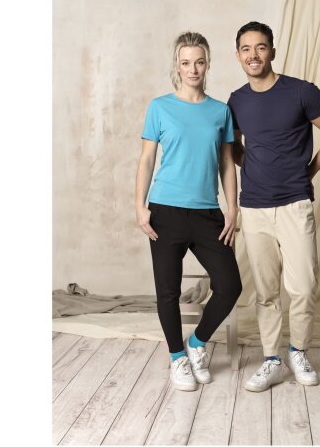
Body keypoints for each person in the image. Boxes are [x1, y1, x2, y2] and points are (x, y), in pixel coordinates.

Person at [227, 22, 320, 392]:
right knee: (265, 292)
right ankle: (271, 360)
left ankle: (298, 351)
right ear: (238, 55)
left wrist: (308, 170)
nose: (253, 55)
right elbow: (233, 147)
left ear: (272, 52)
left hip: (295, 203)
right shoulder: (236, 101)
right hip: (254, 207)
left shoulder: (301, 91)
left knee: (303, 287)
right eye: (246, 49)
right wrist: (254, 167)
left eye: (261, 47)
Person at [135, 32, 242, 392]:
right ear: (177, 66)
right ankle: (177, 357)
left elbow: (227, 164)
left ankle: (196, 344)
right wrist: (140, 207)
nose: (192, 69)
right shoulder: (159, 107)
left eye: (199, 62)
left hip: (207, 213)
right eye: (185, 63)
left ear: (207, 64)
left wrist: (232, 209)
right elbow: (147, 159)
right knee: (167, 290)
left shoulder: (220, 111)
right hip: (165, 210)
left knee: (230, 285)